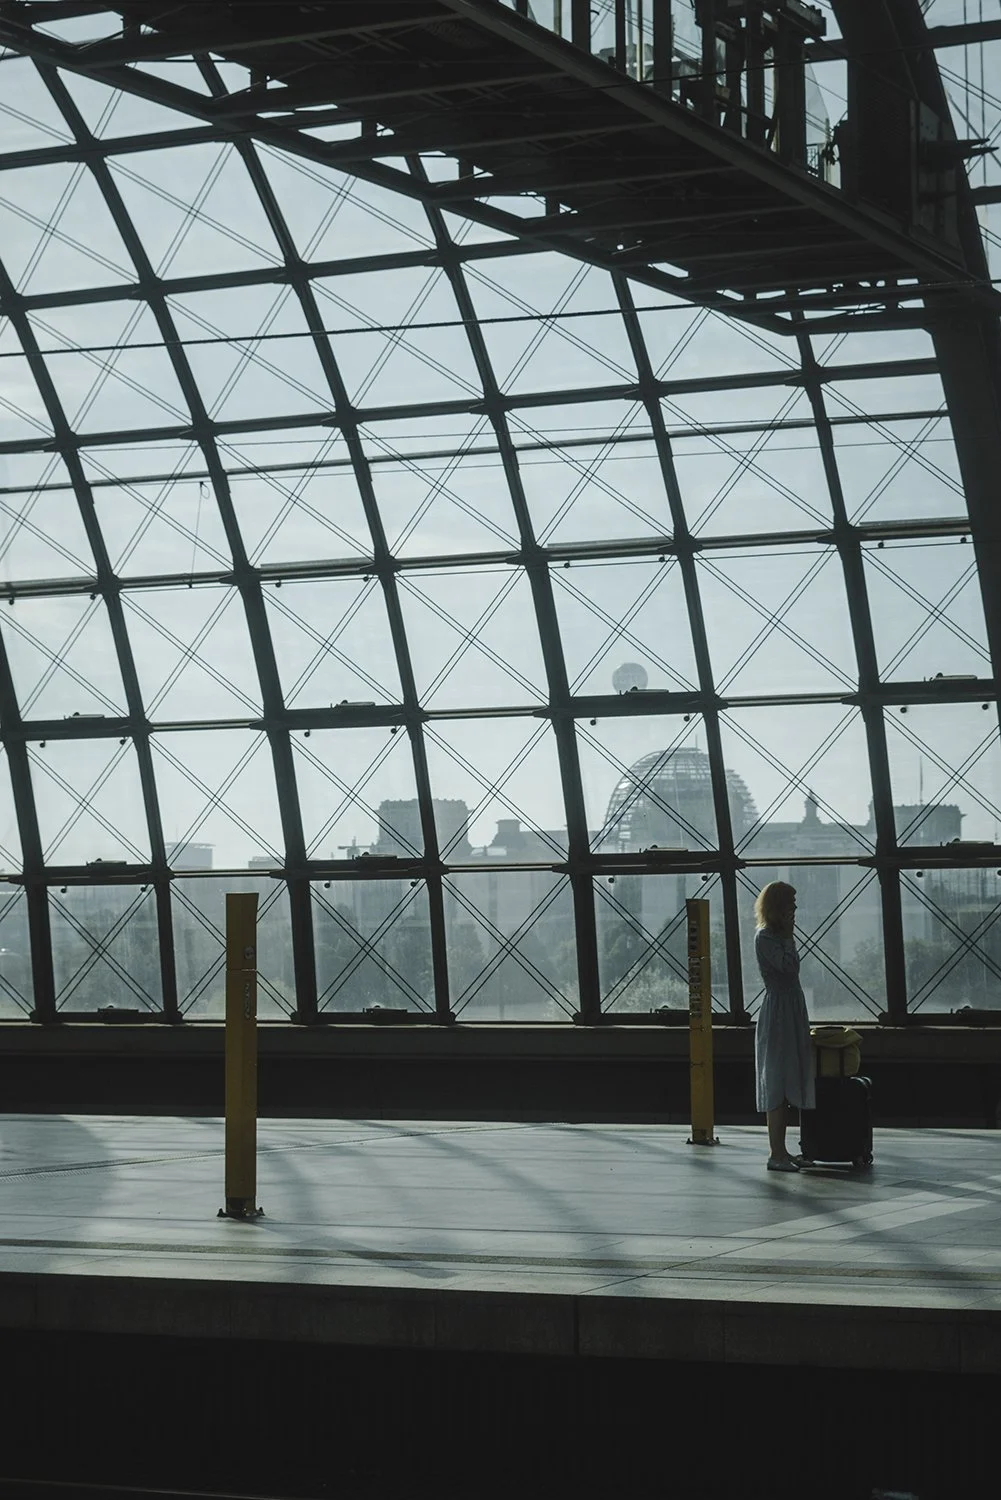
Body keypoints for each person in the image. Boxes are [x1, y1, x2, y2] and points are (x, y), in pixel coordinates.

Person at [754, 881, 815, 1172]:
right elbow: (788, 967)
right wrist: (789, 937)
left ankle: (782, 1150)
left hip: (789, 1009)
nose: (795, 907)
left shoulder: (775, 936)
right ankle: (776, 1153)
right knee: (778, 1080)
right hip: (780, 1014)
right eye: (790, 902)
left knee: (788, 1078)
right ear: (778, 906)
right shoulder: (766, 937)